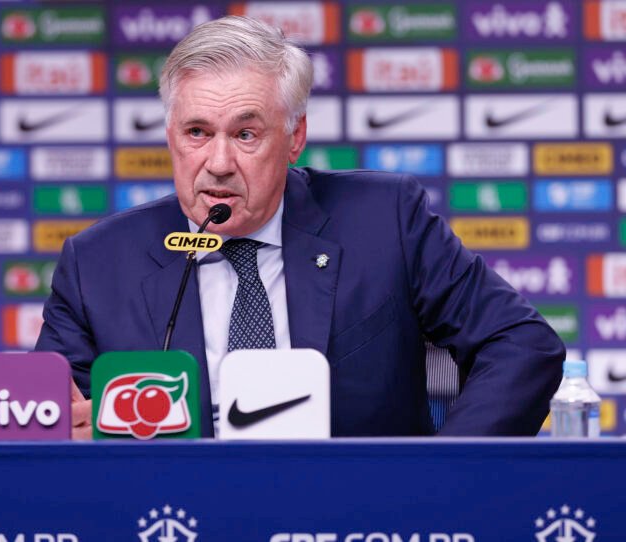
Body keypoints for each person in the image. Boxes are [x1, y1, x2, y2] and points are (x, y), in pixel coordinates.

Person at [35, 16, 565, 439]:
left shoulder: (385, 221)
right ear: (170, 135)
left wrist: (442, 475)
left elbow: (521, 343)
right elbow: (46, 416)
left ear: (294, 138)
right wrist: (73, 438)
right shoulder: (97, 265)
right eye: (197, 132)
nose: (218, 163)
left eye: (246, 134)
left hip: (359, 516)